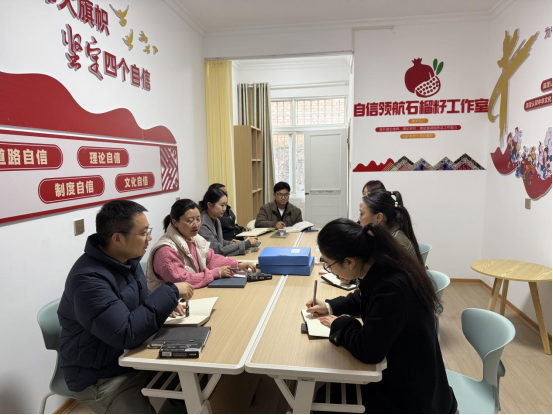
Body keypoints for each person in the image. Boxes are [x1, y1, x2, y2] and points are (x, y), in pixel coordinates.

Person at [307, 219, 457, 414]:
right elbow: (364, 295)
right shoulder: (382, 265)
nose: (330, 270)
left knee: (325, 400)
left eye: (329, 265)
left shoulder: (392, 288)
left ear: (350, 262)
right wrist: (330, 306)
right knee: (328, 391)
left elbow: (368, 350)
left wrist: (340, 323)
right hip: (409, 372)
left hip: (413, 397)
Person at [58, 200, 194, 414]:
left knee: (195, 380)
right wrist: (171, 292)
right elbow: (126, 333)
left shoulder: (127, 261)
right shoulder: (88, 281)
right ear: (118, 239)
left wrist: (166, 304)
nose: (150, 238)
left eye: (148, 231)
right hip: (100, 376)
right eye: (143, 233)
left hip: (132, 357)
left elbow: (140, 300)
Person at [146, 199, 255, 292]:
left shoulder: (194, 238)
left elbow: (211, 259)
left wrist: (237, 265)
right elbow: (182, 281)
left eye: (198, 219)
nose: (196, 224)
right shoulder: (165, 251)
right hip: (173, 305)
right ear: (175, 222)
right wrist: (215, 273)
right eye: (190, 221)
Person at [358, 190, 423, 263]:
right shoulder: (387, 235)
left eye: (361, 213)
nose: (358, 219)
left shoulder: (395, 245)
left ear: (378, 217)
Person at [198, 187, 258, 256]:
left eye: (226, 205)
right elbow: (217, 250)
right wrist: (246, 244)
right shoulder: (202, 224)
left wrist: (230, 243)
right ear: (209, 205)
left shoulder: (216, 219)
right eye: (222, 205)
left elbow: (220, 242)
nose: (224, 209)